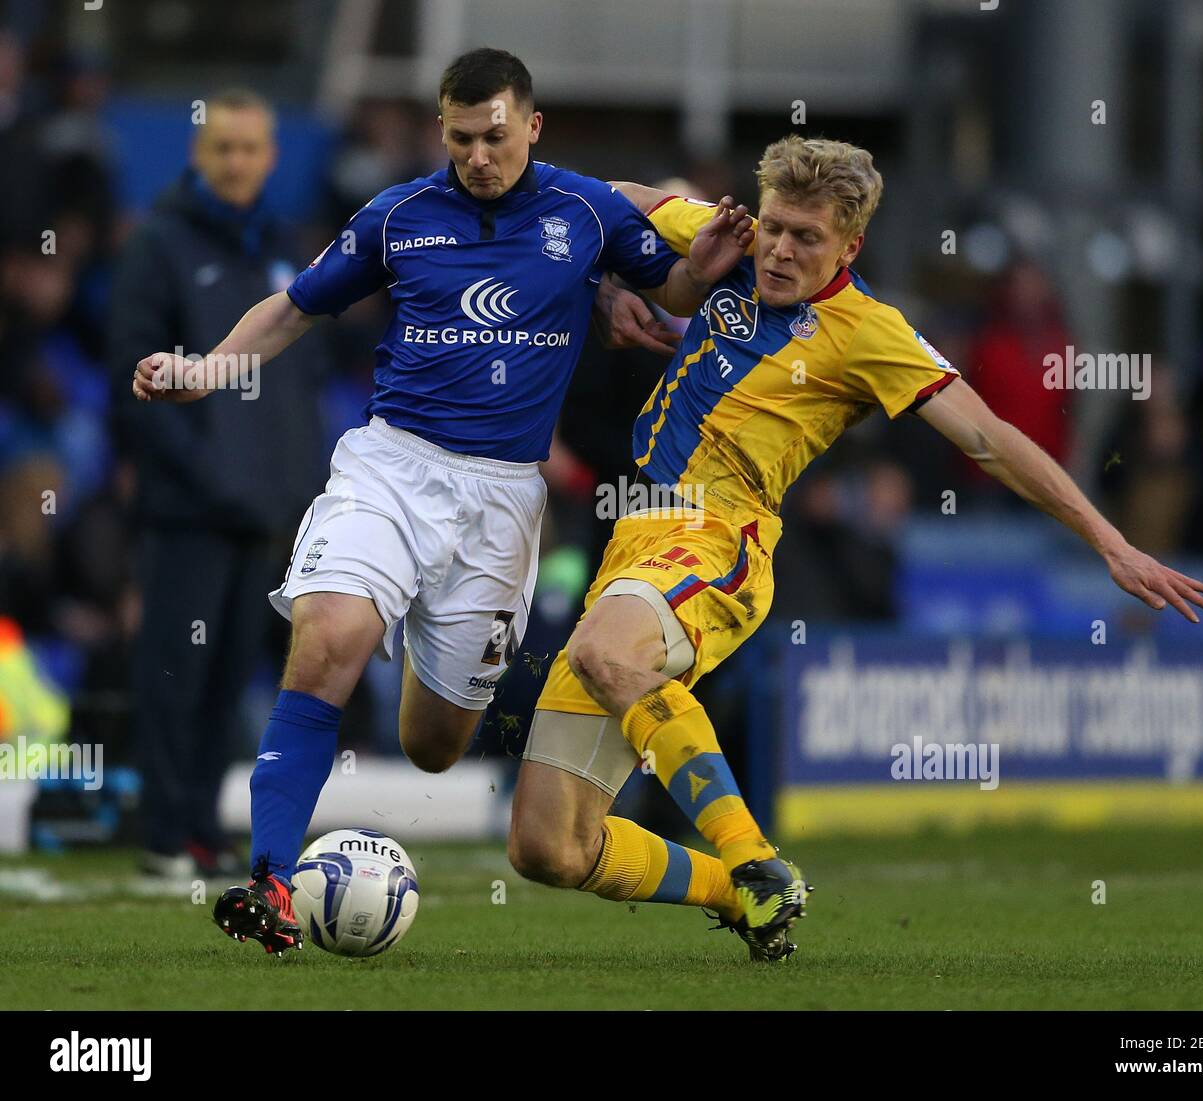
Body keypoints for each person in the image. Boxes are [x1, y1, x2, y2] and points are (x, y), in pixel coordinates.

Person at [507, 135, 1203, 962]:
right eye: (774, 226)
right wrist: (603, 285)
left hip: (717, 537)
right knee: (547, 847)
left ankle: (753, 855)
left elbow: (989, 436)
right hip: (632, 539)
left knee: (600, 651)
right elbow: (609, 195)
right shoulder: (729, 242)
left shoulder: (868, 332)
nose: (777, 248)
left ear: (850, 245)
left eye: (805, 238)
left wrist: (1110, 540)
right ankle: (741, 893)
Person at [130, 48, 750, 954]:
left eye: (495, 137)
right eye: (460, 139)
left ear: (531, 127)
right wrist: (204, 369)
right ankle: (269, 880)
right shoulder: (400, 215)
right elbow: (295, 307)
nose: (478, 157)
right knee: (327, 636)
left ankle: (427, 642)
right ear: (442, 132)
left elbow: (673, 289)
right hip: (392, 467)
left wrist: (703, 268)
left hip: (501, 504)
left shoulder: (586, 213)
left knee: (433, 743)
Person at [110, 88, 330, 881]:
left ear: (271, 157)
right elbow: (129, 382)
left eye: (250, 149)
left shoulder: (288, 248)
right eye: (222, 150)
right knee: (175, 673)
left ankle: (203, 826)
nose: (236, 163)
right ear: (198, 156)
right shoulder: (157, 247)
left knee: (231, 679)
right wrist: (208, 477)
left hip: (267, 512)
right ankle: (164, 832)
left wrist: (296, 482)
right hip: (187, 512)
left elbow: (300, 383)